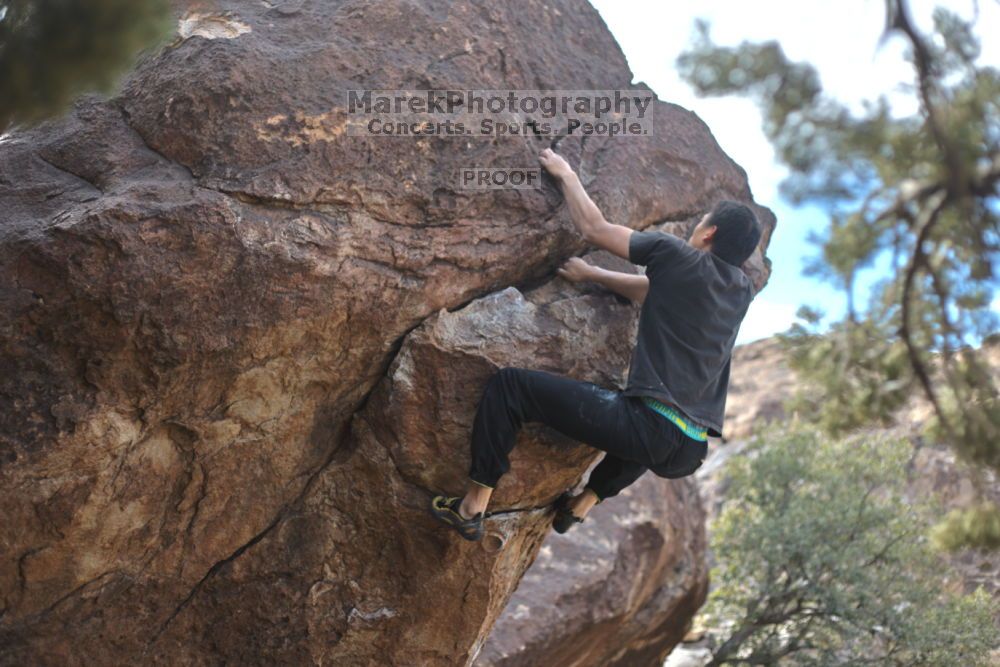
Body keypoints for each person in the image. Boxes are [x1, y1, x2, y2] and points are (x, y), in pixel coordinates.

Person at [430, 148, 761, 541]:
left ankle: (471, 507)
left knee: (510, 387)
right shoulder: (741, 292)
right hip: (689, 451)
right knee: (647, 428)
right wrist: (594, 275)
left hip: (648, 429)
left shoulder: (678, 256)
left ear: (709, 233)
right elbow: (652, 292)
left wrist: (566, 174)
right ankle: (581, 504)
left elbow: (594, 229)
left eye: (701, 222)